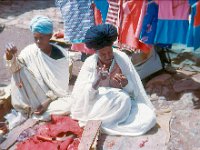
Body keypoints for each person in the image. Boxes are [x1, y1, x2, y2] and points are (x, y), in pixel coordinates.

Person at [70, 24, 156, 136]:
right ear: (96, 53)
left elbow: (134, 93)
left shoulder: (122, 59)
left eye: (109, 52)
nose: (107, 56)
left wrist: (126, 84)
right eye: (103, 54)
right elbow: (84, 98)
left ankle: (108, 123)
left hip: (123, 107)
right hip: (99, 105)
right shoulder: (90, 64)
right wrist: (97, 81)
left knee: (149, 118)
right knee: (122, 98)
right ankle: (103, 122)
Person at [4, 16, 71, 128]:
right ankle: (27, 110)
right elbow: (13, 69)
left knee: (70, 105)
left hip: (51, 97)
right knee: (18, 69)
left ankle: (32, 115)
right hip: (31, 97)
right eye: (35, 38)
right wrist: (10, 55)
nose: (38, 41)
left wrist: (47, 101)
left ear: (50, 36)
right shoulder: (30, 51)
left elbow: (61, 89)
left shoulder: (62, 56)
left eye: (41, 38)